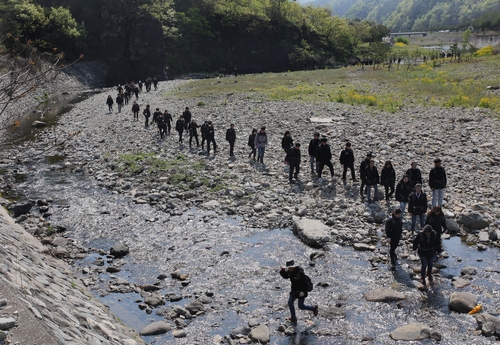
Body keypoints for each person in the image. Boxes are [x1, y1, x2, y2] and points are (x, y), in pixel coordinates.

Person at [279, 260, 318, 325]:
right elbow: (285, 276)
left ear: (294, 267)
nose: (289, 268)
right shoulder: (290, 271)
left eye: (290, 267)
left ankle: (313, 308)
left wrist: (303, 291)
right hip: (294, 290)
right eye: (288, 267)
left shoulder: (300, 273)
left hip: (301, 291)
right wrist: (282, 271)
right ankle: (293, 317)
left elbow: (305, 284)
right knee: (290, 302)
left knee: (301, 306)